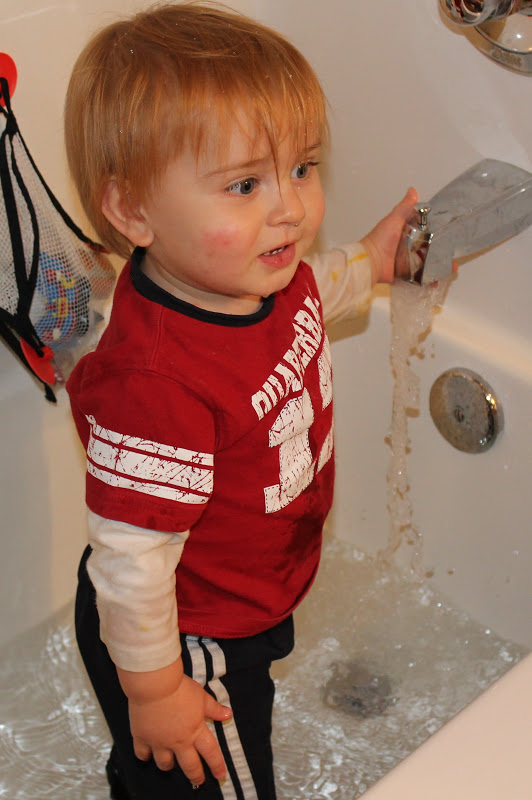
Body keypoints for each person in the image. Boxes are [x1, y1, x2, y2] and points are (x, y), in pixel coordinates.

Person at [64, 3, 417, 799]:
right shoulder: (156, 382)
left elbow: (312, 299)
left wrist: (374, 263)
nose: (288, 207)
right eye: (245, 183)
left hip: (235, 603)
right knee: (222, 781)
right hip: (184, 633)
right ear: (133, 212)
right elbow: (131, 557)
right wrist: (155, 690)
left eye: (302, 167)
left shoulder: (259, 277)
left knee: (173, 777)